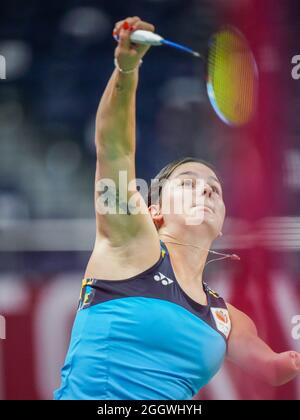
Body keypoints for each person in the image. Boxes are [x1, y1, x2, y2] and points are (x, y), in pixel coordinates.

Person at [54, 16, 300, 400]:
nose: (205, 192)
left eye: (214, 189)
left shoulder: (226, 317)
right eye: (188, 184)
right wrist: (127, 67)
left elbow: (274, 370)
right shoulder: (129, 245)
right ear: (154, 211)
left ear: (221, 225)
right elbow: (115, 149)